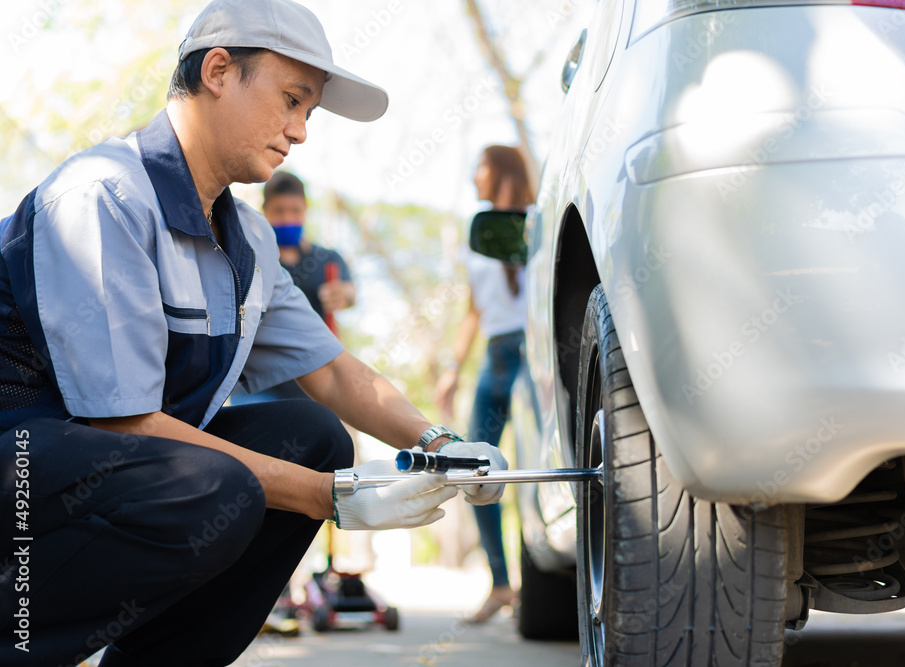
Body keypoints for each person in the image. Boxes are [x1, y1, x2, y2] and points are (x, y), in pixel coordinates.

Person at [0, 1, 506, 665]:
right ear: (218, 71)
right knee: (225, 483)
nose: (299, 131)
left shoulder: (248, 242)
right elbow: (124, 424)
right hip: (24, 474)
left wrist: (444, 445)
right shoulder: (104, 196)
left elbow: (328, 373)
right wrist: (334, 499)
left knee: (313, 435)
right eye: (291, 100)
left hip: (113, 478)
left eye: (309, 113)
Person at [435, 145, 534, 623]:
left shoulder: (539, 220)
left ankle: (542, 582)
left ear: (500, 172)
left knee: (536, 468)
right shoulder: (475, 236)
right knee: (478, 467)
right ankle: (500, 583)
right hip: (496, 357)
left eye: (481, 167)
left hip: (534, 353)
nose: (475, 175)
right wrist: (452, 368)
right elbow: (474, 310)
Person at [230, 171, 354, 403]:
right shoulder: (250, 257)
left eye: (295, 210)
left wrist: (343, 295)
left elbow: (350, 292)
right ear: (265, 211)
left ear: (305, 210)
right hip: (257, 386)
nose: (288, 219)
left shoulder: (328, 260)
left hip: (316, 384)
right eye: (279, 211)